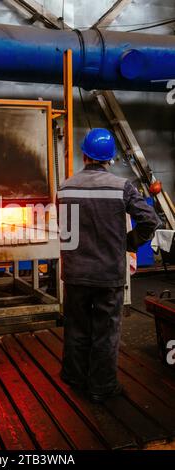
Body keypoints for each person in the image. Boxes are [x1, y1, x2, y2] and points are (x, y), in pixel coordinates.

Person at [57, 128, 159, 404]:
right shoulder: (122, 187)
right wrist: (129, 242)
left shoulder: (65, 187)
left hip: (76, 273)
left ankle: (75, 377)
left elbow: (66, 232)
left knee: (76, 327)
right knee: (106, 331)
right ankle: (102, 386)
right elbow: (151, 220)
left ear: (84, 155)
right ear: (109, 159)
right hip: (108, 276)